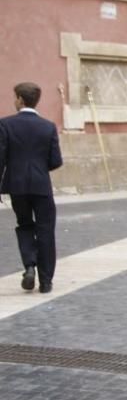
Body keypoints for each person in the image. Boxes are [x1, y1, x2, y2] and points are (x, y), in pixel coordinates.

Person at [0, 82, 62, 294]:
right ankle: (46, 281)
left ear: (20, 99)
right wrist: (40, 169)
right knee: (46, 229)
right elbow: (56, 160)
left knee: (24, 225)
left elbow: (0, 159)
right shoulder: (48, 126)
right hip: (41, 185)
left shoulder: (5, 124)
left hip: (17, 186)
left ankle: (29, 266)